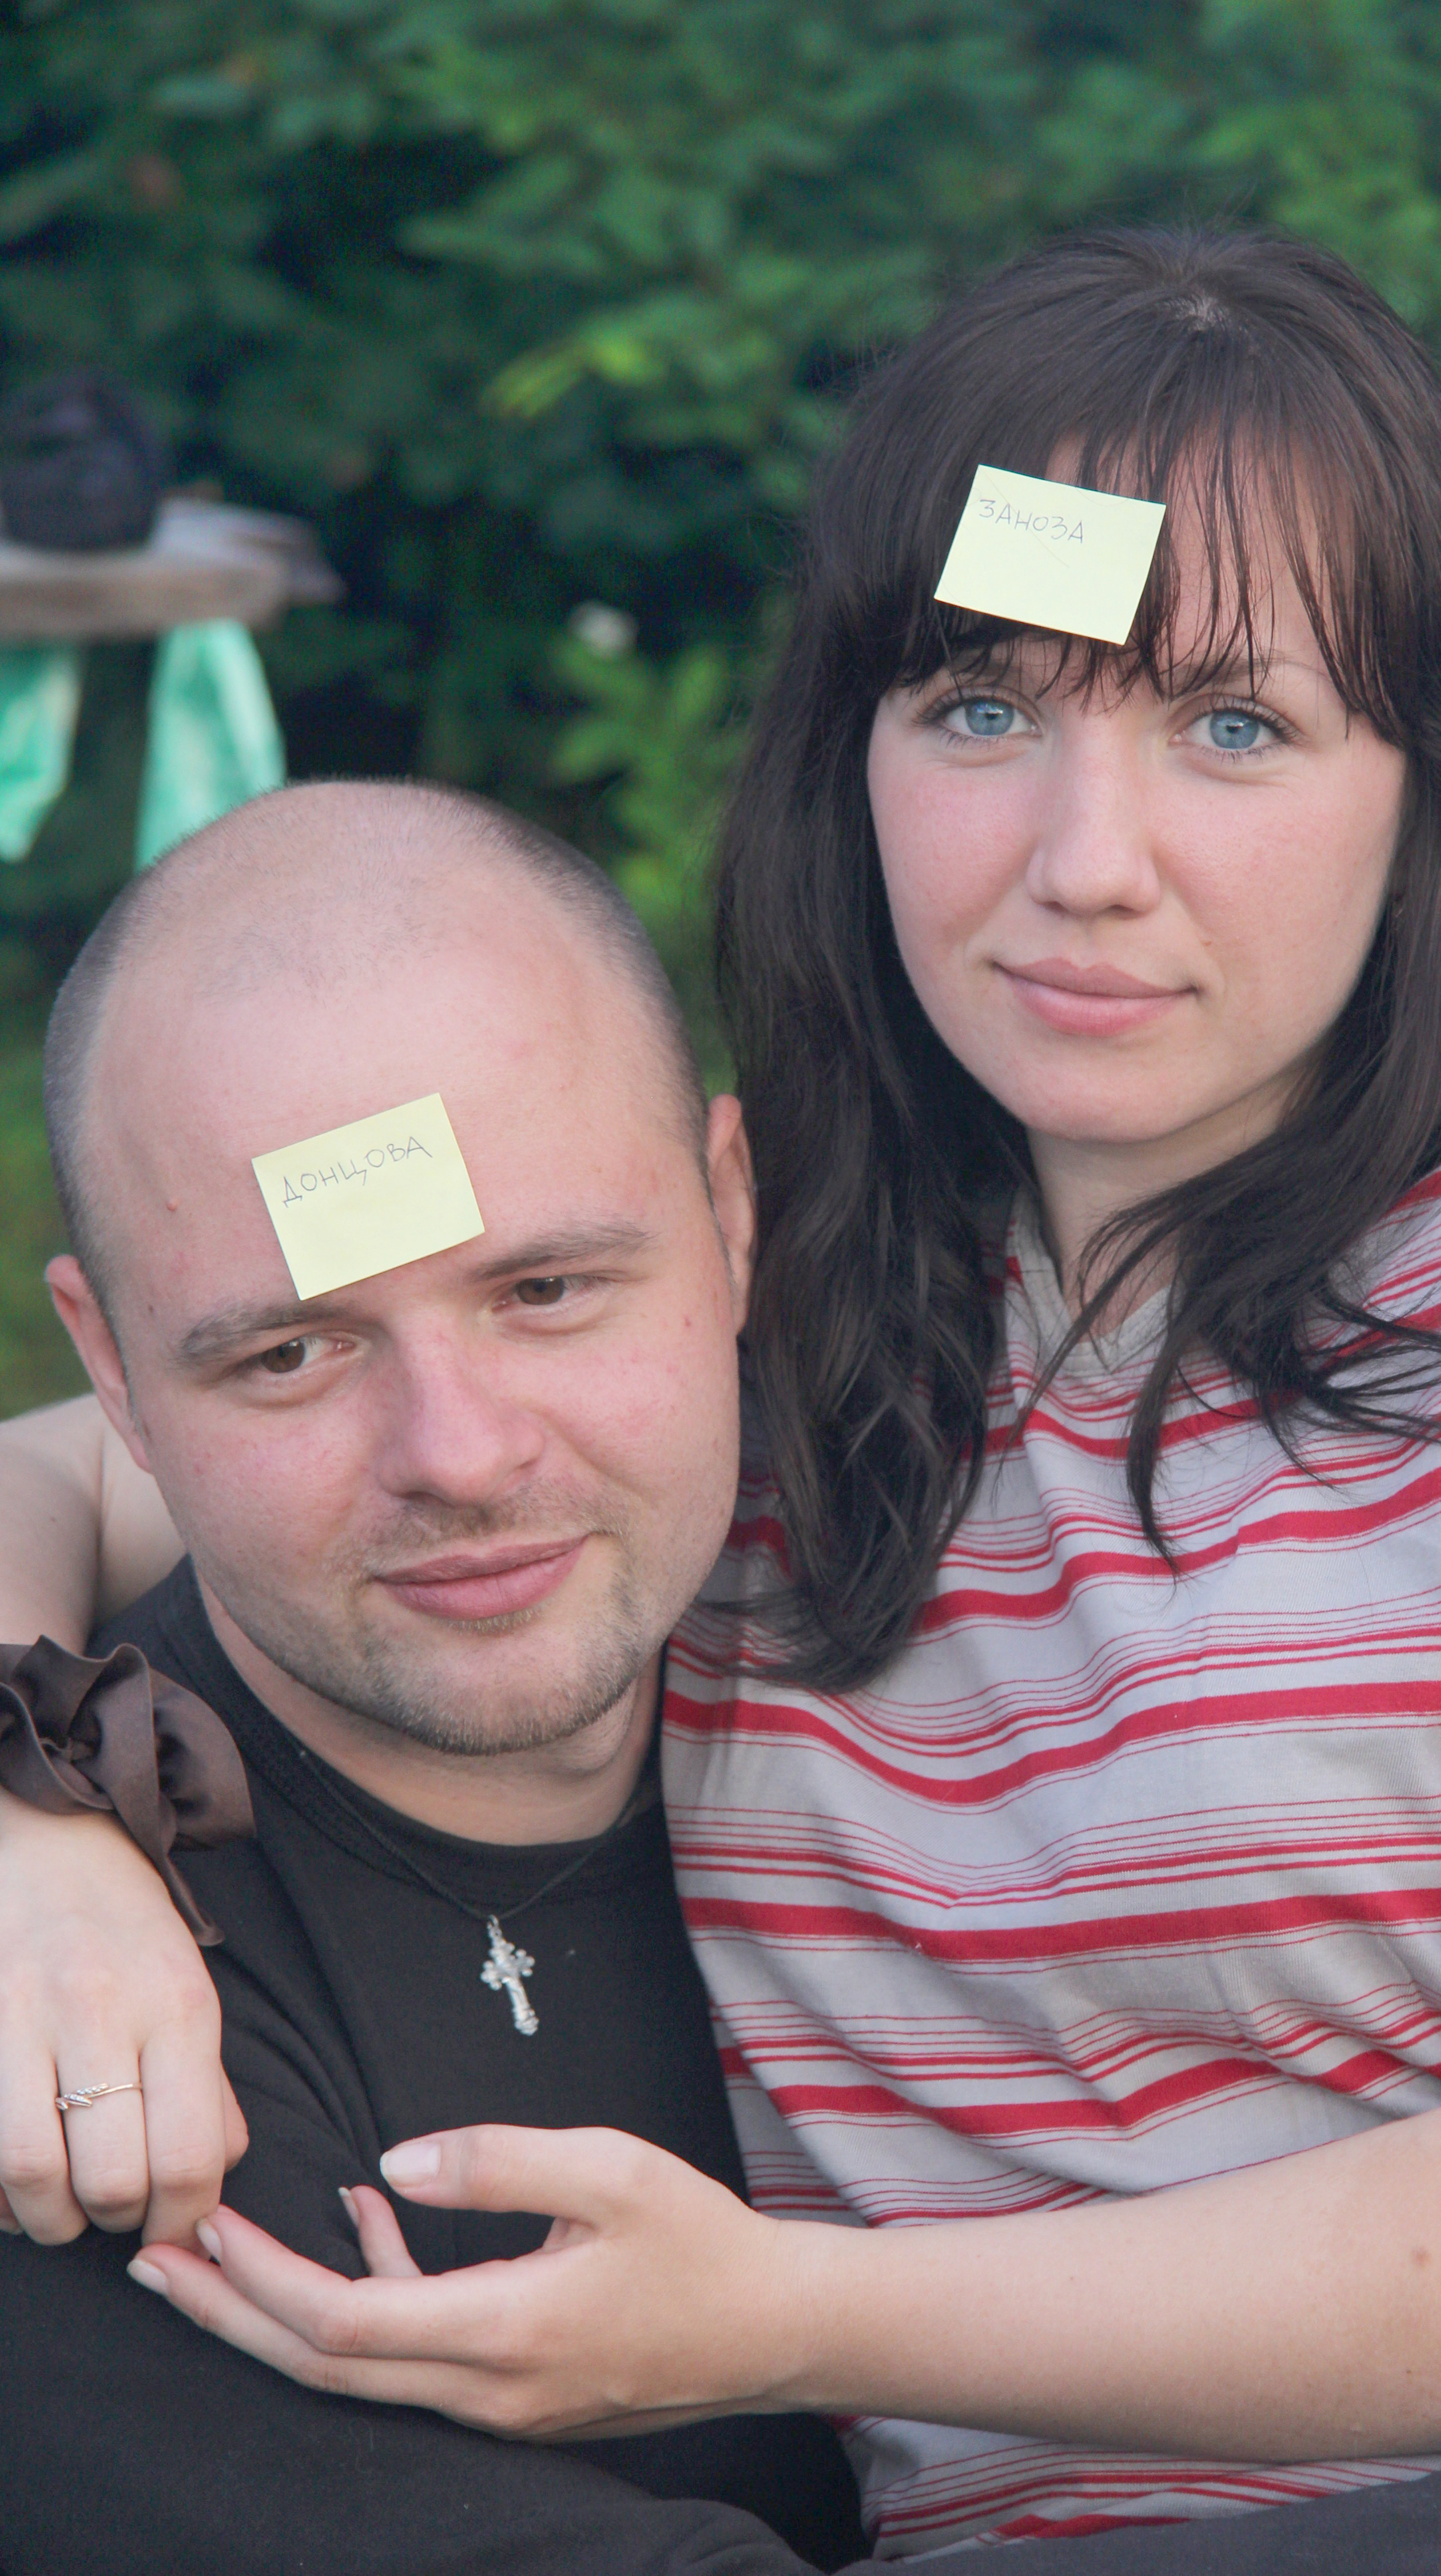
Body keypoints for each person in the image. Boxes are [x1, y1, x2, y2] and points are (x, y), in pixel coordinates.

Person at [4, 225, 1441, 2570]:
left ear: (1423, 789)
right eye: (986, 708)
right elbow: (144, 1444)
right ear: (859, 753)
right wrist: (34, 1830)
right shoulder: (785, 1293)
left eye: (1235, 726)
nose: (1086, 865)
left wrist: (789, 2317)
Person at [0, 778, 868, 2576]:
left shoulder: (1004, 1625)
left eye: (545, 1290)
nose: (458, 1456)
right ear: (116, 1375)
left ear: (732, 1215)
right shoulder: (66, 2039)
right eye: (293, 1355)